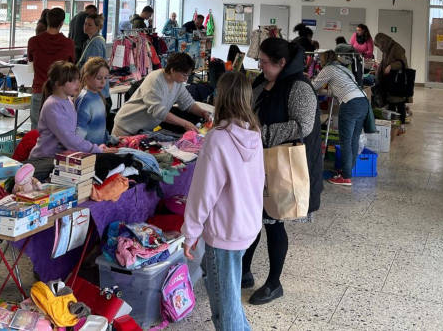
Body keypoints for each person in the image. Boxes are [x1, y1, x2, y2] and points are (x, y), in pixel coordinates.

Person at [242, 38, 321, 306]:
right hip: (257, 162)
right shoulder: (262, 82)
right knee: (253, 219)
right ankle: (244, 271)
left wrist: (261, 134)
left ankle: (274, 284)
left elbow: (303, 126)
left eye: (265, 62)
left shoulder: (299, 87)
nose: (260, 66)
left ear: (281, 62)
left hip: (281, 164)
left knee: (274, 223)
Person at [183, 72, 263, 331]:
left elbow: (203, 192)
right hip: (247, 225)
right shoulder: (253, 132)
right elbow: (258, 181)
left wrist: (190, 232)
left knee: (226, 308)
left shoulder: (218, 138)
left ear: (221, 97)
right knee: (225, 294)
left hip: (225, 232)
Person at [29, 61, 106, 180]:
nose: (78, 83)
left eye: (78, 79)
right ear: (58, 83)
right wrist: (95, 149)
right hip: (44, 160)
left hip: (59, 158)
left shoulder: (68, 100)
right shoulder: (52, 105)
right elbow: (69, 139)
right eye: (72, 81)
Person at [112, 53, 212, 137]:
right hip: (126, 127)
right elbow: (158, 112)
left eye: (188, 75)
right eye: (184, 75)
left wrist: (203, 113)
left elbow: (188, 103)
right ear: (173, 70)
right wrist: (185, 124)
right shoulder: (155, 79)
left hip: (142, 130)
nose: (186, 79)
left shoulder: (177, 83)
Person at [313, 50, 368, 186]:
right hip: (363, 102)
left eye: (320, 59)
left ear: (324, 59)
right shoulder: (344, 69)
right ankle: (347, 171)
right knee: (354, 139)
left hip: (350, 104)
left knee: (345, 141)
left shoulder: (328, 69)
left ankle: (345, 177)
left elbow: (313, 86)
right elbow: (341, 88)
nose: (319, 62)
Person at [27, 7, 74, 129]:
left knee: (37, 131)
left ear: (46, 21)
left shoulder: (33, 41)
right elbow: (71, 66)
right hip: (60, 93)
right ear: (61, 23)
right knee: (60, 131)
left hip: (39, 91)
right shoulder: (68, 44)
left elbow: (30, 60)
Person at [373, 32, 410, 123]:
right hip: (390, 81)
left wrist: (391, 66)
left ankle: (401, 124)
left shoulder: (397, 48)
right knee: (391, 104)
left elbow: (402, 63)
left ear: (383, 42)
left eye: (379, 45)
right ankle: (393, 124)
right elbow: (384, 62)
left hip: (398, 82)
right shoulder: (386, 49)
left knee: (399, 104)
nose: (379, 48)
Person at [76, 57, 111, 147]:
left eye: (106, 78)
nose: (103, 82)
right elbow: (79, 132)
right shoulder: (86, 99)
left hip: (100, 148)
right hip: (90, 151)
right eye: (99, 78)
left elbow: (100, 127)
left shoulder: (98, 95)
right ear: (87, 77)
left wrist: (111, 139)